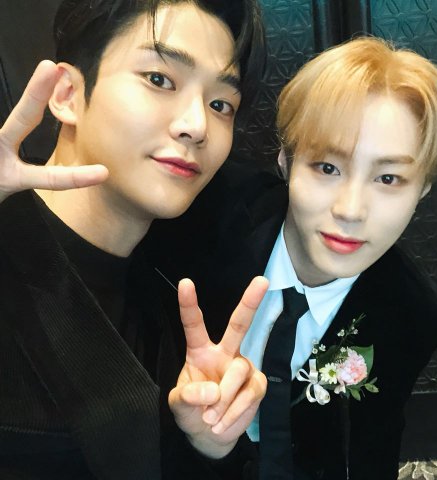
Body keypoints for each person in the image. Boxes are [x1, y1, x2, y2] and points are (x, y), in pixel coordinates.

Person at [154, 36, 437, 479]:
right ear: (286, 161)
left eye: (389, 178)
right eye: (327, 168)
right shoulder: (203, 211)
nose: (350, 210)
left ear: (423, 190)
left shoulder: (414, 311)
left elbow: (375, 435)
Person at [0, 1, 269, 479]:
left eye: (220, 104)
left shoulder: (178, 281)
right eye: (159, 79)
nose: (197, 126)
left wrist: (208, 444)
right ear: (67, 94)